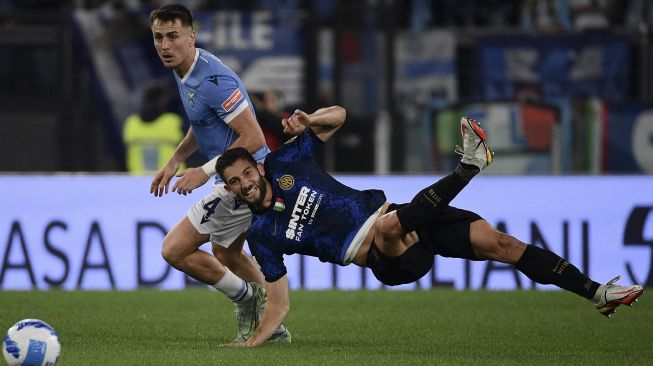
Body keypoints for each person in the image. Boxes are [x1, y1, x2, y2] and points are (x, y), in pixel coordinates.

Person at [215, 106, 645, 347]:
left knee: (505, 244)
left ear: (257, 166)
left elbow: (341, 116)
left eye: (246, 175)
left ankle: (597, 293)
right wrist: (252, 344)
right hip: (391, 260)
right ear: (232, 190)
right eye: (235, 183)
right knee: (385, 229)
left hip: (407, 214)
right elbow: (279, 300)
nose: (244, 185)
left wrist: (310, 121)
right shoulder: (261, 234)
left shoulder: (286, 160)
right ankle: (469, 167)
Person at [147, 4, 290, 343]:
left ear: (191, 37)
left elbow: (253, 135)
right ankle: (272, 321)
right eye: (158, 38)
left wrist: (204, 170)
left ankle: (248, 299)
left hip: (243, 178)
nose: (165, 46)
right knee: (225, 253)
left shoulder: (213, 80)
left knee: (174, 250)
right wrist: (175, 160)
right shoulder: (183, 70)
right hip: (236, 176)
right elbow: (203, 123)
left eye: (173, 36)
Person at [123, 83, 184, 174]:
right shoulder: (173, 122)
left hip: (137, 180)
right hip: (171, 180)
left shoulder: (131, 123)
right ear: (163, 100)